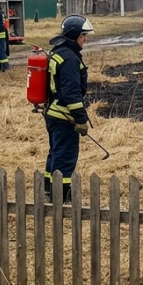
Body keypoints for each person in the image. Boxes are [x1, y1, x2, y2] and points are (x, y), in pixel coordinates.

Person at [44, 14, 94, 202]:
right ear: (75, 36)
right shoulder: (70, 59)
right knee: (65, 155)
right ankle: (62, 194)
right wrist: (81, 119)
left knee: (55, 151)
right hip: (63, 116)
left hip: (52, 112)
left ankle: (49, 188)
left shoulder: (58, 52)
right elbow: (72, 93)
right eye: (83, 36)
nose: (85, 39)